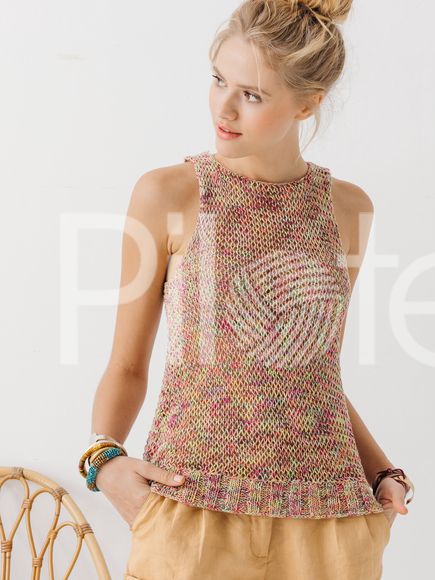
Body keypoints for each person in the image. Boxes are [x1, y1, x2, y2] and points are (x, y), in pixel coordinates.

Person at [79, 1, 415, 578]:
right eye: (218, 80)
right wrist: (103, 459)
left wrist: (384, 473)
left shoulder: (348, 209)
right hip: (191, 510)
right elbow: (127, 365)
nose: (224, 108)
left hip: (329, 523)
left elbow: (314, 372)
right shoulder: (168, 194)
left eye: (252, 95)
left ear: (308, 103)